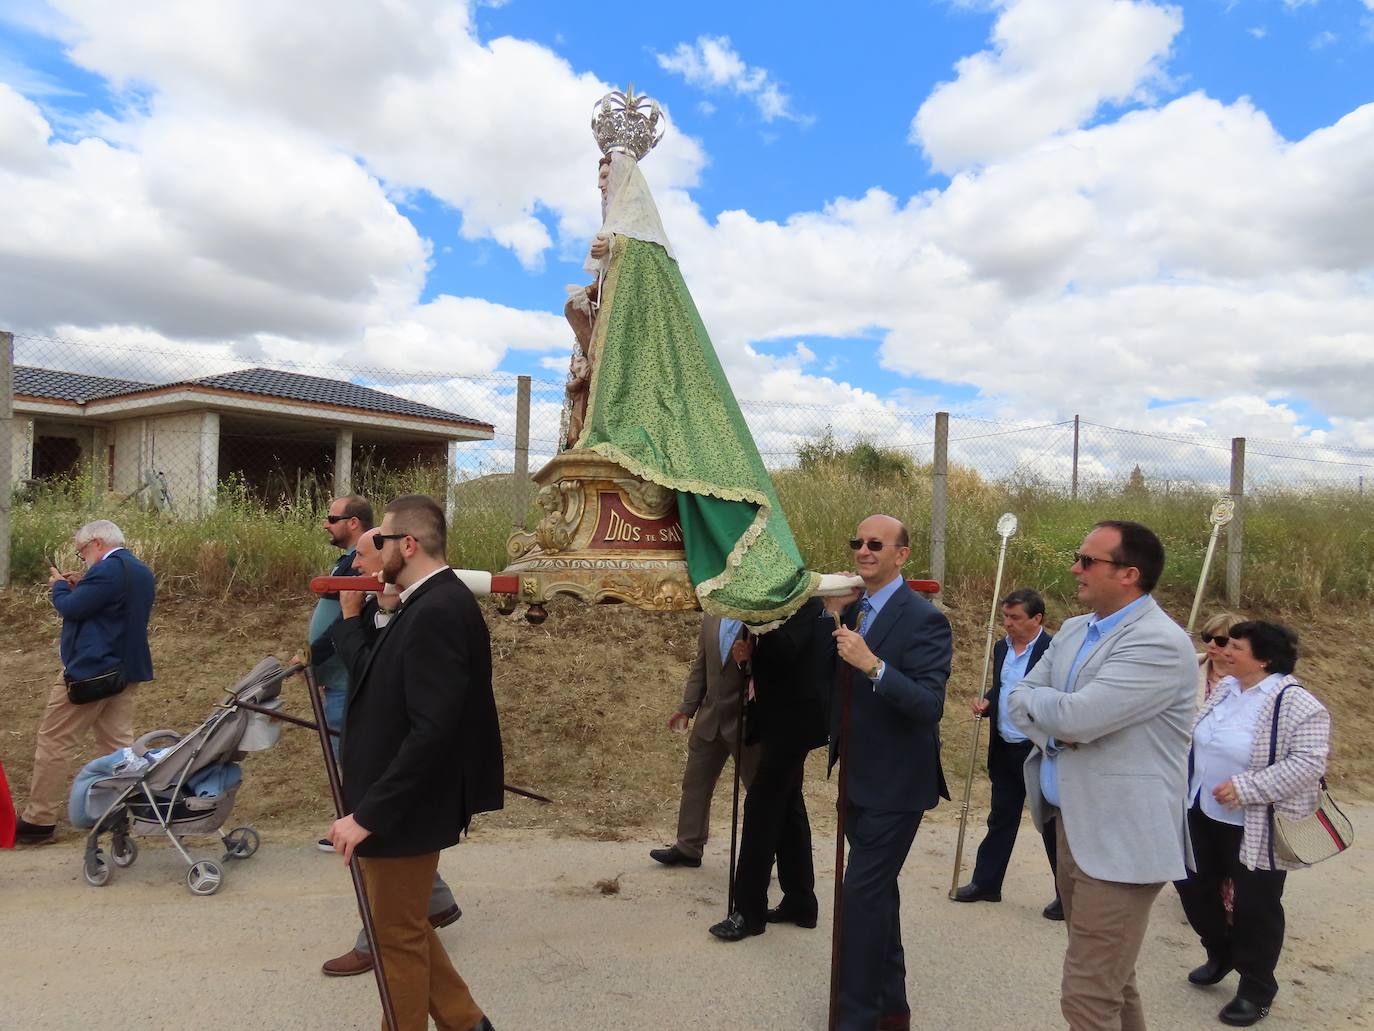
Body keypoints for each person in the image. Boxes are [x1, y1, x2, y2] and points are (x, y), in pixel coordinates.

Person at [1007, 520, 1197, 1031]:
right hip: (1075, 824)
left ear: (1129, 574)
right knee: (1112, 980)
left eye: (1088, 560)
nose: (1075, 568)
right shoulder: (1073, 629)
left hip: (1121, 840)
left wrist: (1064, 719)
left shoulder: (1159, 643)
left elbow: (1078, 717)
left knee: (1089, 996)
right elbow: (1018, 701)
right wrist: (1062, 727)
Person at [328, 495, 502, 1031]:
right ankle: (466, 1021)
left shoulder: (440, 610)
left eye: (380, 539)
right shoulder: (421, 603)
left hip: (404, 809)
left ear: (408, 544)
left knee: (395, 938)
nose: (374, 550)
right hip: (396, 802)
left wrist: (368, 814)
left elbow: (433, 730)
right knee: (402, 925)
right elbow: (387, 686)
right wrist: (378, 611)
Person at [320, 527, 465, 979]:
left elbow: (372, 676)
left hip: (397, 766)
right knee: (402, 912)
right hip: (385, 759)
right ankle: (435, 907)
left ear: (398, 552)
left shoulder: (431, 611)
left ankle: (377, 939)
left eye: (362, 558)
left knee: (394, 920)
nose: (356, 568)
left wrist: (347, 622)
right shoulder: (390, 607)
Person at [825, 514, 952, 1031]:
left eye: (876, 544)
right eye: (857, 541)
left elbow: (928, 704)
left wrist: (874, 665)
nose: (863, 550)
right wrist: (830, 620)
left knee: (860, 896)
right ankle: (892, 1007)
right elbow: (830, 681)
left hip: (898, 786)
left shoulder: (924, 618)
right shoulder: (852, 610)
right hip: (857, 777)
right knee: (877, 895)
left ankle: (856, 1018)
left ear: (901, 555)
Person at [1174, 621, 1330, 1028]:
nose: (1222, 651)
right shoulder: (1225, 689)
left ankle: (1256, 987)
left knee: (1255, 907)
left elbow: (1309, 763)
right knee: (1191, 885)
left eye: (1234, 647)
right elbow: (1197, 739)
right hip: (1200, 810)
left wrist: (1247, 787)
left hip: (1255, 822)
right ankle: (1221, 951)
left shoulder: (1298, 704)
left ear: (1263, 659)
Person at [16, 520, 156, 845]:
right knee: (118, 748)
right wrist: (83, 583)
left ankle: (39, 820)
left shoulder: (108, 571)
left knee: (54, 741)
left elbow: (72, 609)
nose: (83, 560)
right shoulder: (138, 570)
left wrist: (60, 587)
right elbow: (109, 607)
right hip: (127, 671)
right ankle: (121, 813)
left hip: (92, 672)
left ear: (96, 543)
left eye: (82, 553)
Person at [708, 598, 830, 941]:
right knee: (789, 808)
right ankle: (801, 902)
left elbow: (787, 649)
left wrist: (757, 622)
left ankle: (749, 913)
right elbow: (774, 656)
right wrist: (750, 655)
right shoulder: (778, 604)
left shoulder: (804, 602)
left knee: (760, 808)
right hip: (777, 721)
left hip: (795, 724)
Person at [954, 588, 1061, 919]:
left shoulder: (1053, 650)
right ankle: (987, 882)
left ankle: (1069, 894)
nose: (1007, 624)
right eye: (1005, 617)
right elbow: (1004, 687)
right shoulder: (1000, 647)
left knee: (1052, 823)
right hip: (1004, 746)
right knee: (1000, 817)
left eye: (1015, 618)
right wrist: (988, 702)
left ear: (1037, 619)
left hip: (1038, 750)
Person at [649, 614, 759, 868]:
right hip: (709, 719)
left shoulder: (758, 618)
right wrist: (687, 708)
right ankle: (688, 847)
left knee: (759, 791)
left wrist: (750, 661)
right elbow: (701, 666)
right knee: (695, 783)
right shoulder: (711, 617)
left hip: (745, 723)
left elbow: (772, 669)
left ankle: (765, 853)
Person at [1197, 612, 1243, 704]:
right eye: (1207, 638)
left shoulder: (1249, 680)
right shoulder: (1189, 665)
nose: (1211, 645)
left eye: (1220, 641)